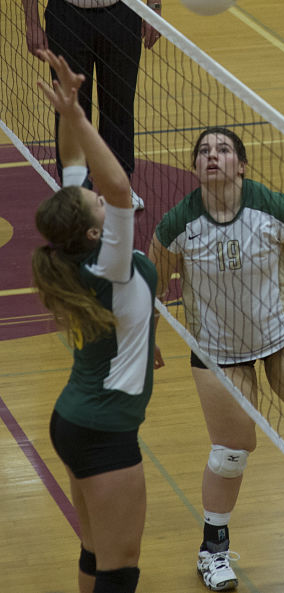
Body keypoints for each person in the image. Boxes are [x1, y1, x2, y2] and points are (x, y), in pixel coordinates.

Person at [149, 126, 284, 592]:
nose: (213, 156)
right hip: (218, 349)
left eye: (224, 150)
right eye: (204, 152)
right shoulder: (177, 225)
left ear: (241, 165)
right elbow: (150, 286)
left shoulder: (270, 206)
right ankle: (213, 551)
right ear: (194, 168)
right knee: (231, 452)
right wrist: (148, 339)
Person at [31, 49, 163, 593]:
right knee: (120, 568)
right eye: (95, 204)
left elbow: (78, 173)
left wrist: (69, 112)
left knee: (95, 551)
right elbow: (114, 189)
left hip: (77, 420)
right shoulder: (110, 262)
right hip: (104, 432)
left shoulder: (78, 255)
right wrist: (84, 118)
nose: (99, 197)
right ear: (94, 232)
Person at [16, 0, 163, 210]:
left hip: (123, 13)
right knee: (70, 108)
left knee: (119, 104)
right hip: (66, 17)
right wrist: (32, 23)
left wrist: (153, 9)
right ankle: (75, 190)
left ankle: (118, 188)